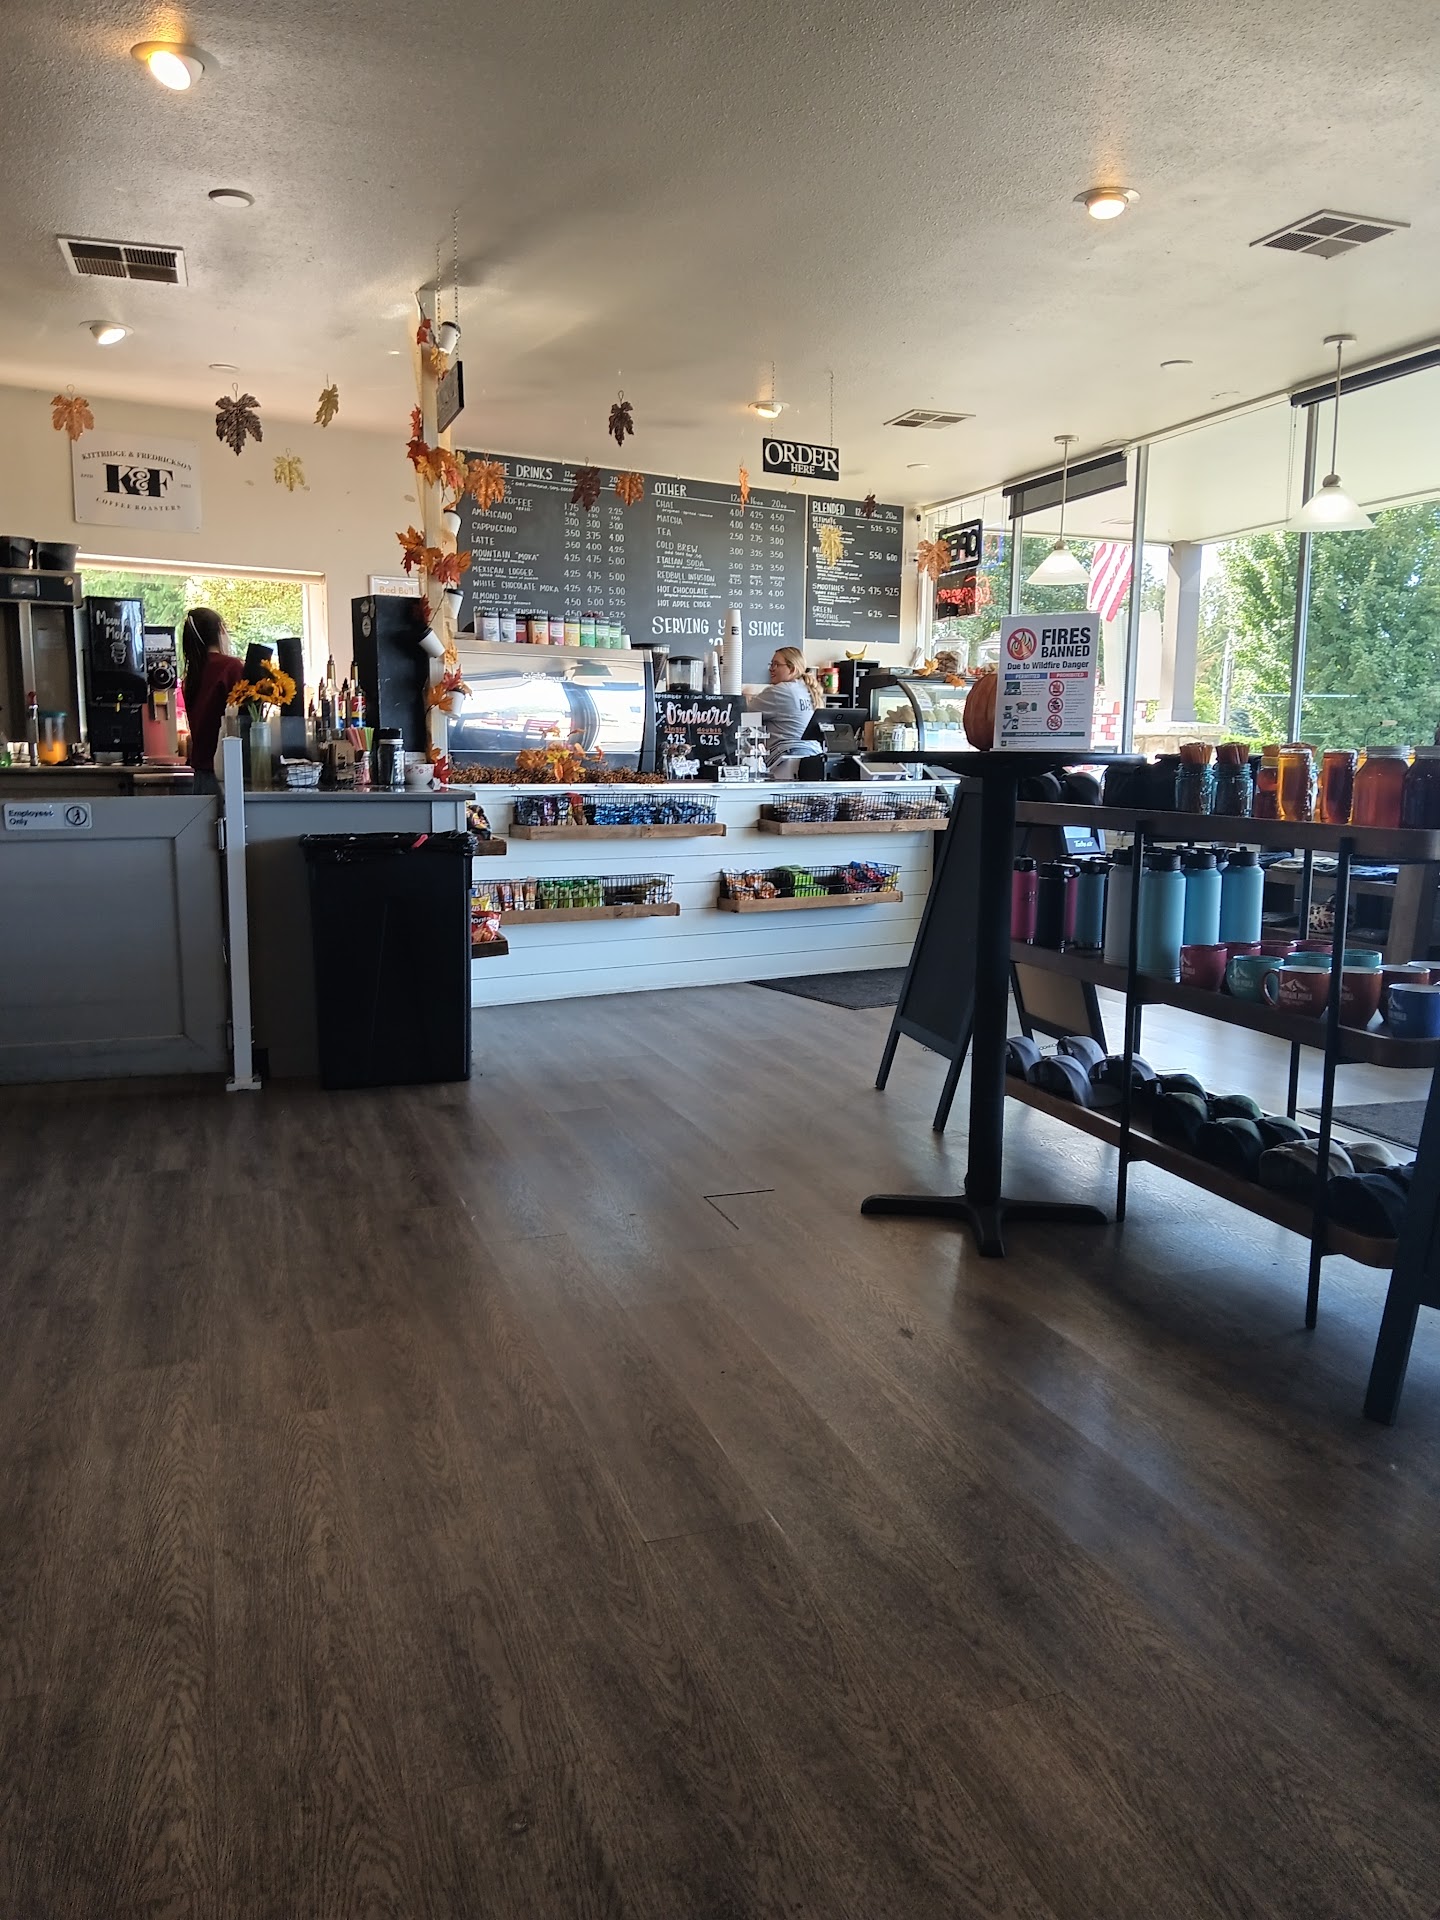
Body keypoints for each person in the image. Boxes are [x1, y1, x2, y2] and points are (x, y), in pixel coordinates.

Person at [181, 607, 243, 791]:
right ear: (221, 629)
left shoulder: (192, 675)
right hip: (225, 771)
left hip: (200, 772)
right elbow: (242, 718)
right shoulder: (231, 667)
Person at [748, 646, 825, 773]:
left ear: (792, 669)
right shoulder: (807, 689)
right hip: (815, 755)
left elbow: (743, 714)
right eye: (771, 664)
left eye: (776, 664)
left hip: (789, 757)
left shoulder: (779, 691)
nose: (771, 669)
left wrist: (745, 698)